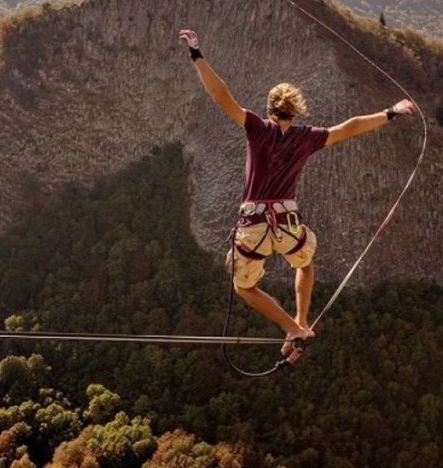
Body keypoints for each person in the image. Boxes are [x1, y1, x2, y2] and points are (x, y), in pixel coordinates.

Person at [178, 28, 416, 354]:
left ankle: (291, 328)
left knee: (244, 287)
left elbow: (222, 96)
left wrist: (196, 52)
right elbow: (350, 126)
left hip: (254, 225)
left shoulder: (257, 129)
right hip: (287, 223)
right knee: (304, 263)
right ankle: (301, 323)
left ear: (270, 108)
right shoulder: (307, 137)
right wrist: (391, 112)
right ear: (296, 110)